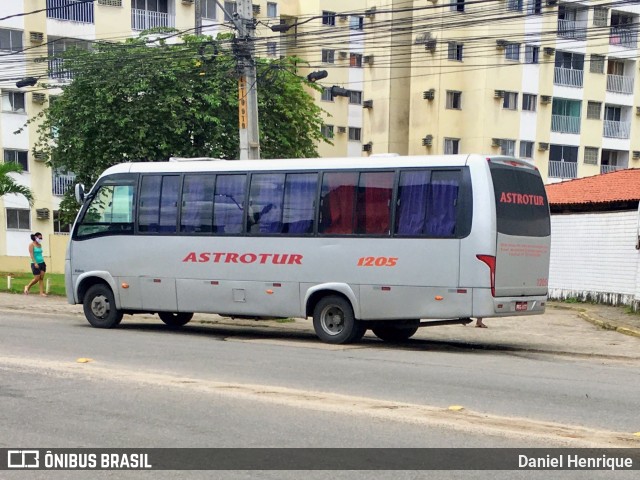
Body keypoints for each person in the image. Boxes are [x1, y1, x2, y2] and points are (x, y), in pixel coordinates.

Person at [24, 232, 47, 296]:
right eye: (40, 237)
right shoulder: (31, 245)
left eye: (41, 238)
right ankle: (27, 287)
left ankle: (41, 292)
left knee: (41, 278)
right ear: (36, 237)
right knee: (37, 278)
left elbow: (40, 254)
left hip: (42, 262)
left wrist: (41, 262)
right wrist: (35, 263)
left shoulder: (40, 245)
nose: (41, 239)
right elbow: (31, 255)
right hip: (35, 263)